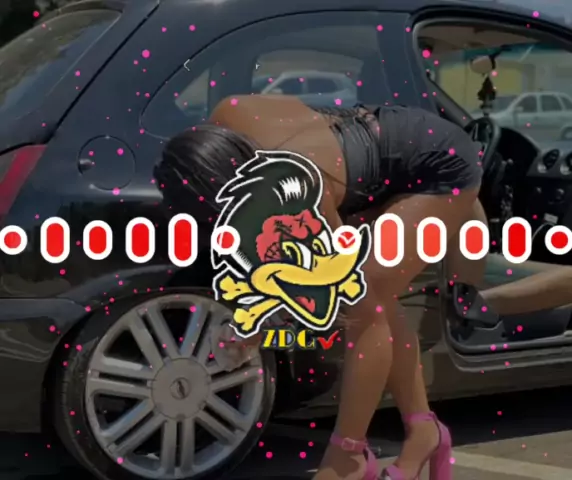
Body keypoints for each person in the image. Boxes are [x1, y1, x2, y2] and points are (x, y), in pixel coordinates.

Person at [155, 95, 485, 480]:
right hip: (379, 150)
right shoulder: (228, 115)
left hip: (440, 164)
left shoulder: (300, 187)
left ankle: (348, 454)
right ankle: (423, 430)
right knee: (377, 294)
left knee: (365, 301)